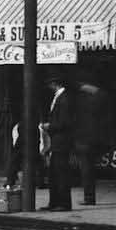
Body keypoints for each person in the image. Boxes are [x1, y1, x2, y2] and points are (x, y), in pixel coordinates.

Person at [41, 75, 75, 212]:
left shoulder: (64, 98)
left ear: (55, 84)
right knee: (54, 173)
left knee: (61, 173)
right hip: (57, 141)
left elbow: (65, 122)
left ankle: (63, 203)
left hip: (62, 141)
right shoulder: (59, 97)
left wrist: (50, 126)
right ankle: (54, 202)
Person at [74, 80, 109, 206]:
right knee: (87, 169)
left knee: (86, 169)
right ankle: (89, 197)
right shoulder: (96, 101)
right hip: (89, 139)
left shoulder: (85, 103)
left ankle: (89, 197)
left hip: (85, 140)